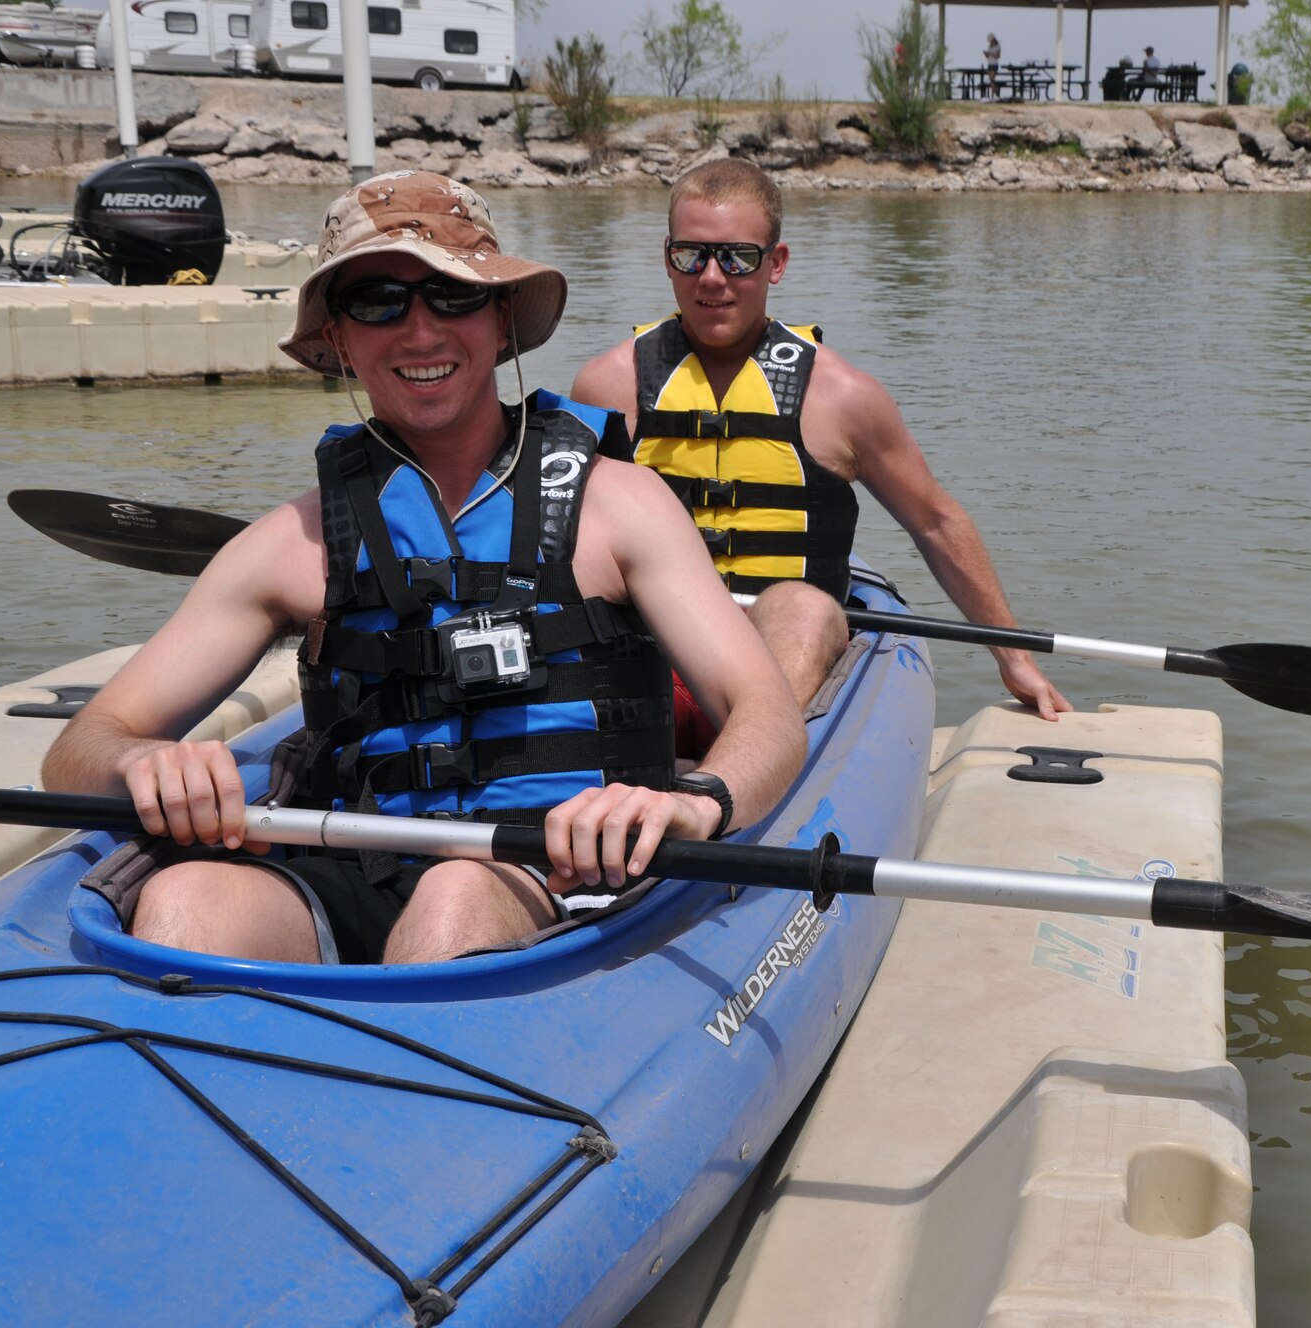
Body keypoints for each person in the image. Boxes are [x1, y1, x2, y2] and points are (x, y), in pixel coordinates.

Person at [42, 170, 805, 967]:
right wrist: (142, 762)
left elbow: (766, 713)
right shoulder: (288, 545)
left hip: (567, 875)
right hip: (354, 870)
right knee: (181, 903)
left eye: (453, 296)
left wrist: (697, 801)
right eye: (377, 300)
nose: (419, 332)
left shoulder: (623, 507)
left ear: (501, 319)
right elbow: (81, 748)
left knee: (456, 893)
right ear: (337, 336)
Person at [569, 159, 1071, 729]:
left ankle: (738, 771)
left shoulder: (843, 396)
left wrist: (1013, 658)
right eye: (692, 254)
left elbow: (934, 520)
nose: (712, 277)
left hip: (777, 651)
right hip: (650, 651)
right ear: (668, 258)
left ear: (776, 264)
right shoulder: (607, 384)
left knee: (807, 608)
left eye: (738, 257)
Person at [984, 32, 1001, 99]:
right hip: (989, 63)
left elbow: (998, 56)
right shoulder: (989, 46)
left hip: (994, 64)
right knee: (991, 80)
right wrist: (986, 54)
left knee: (992, 79)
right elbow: (988, 57)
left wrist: (991, 53)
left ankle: (993, 93)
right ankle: (995, 90)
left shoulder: (997, 46)